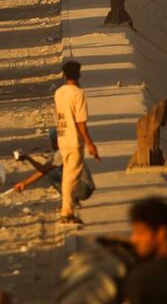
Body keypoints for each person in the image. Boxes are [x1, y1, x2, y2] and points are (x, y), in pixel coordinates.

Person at [54, 60, 100, 224]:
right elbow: (81, 122)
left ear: (65, 75)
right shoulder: (78, 94)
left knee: (67, 175)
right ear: (78, 74)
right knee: (71, 178)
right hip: (74, 141)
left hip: (62, 138)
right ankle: (66, 213)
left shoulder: (59, 92)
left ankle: (67, 211)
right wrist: (90, 143)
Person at [12, 130, 96, 206]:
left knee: (52, 174)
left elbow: (44, 170)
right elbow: (44, 168)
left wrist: (25, 183)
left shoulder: (63, 152)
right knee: (55, 171)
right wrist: (28, 158)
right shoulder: (70, 148)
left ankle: (71, 201)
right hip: (86, 186)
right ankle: (72, 201)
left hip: (83, 188)